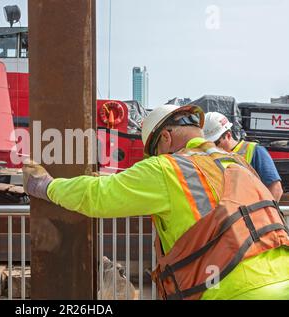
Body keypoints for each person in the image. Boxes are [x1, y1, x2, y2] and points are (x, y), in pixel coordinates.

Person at [23, 104, 289, 300]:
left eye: (153, 152)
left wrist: (47, 187)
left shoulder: (168, 168)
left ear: (165, 138)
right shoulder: (237, 162)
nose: (153, 159)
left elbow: (99, 195)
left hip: (234, 292)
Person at [203, 111, 283, 202]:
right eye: (207, 143)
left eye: (215, 142)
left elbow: (275, 189)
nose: (211, 146)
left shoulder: (254, 151)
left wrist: (264, 214)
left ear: (228, 135)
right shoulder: (207, 156)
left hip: (250, 213)